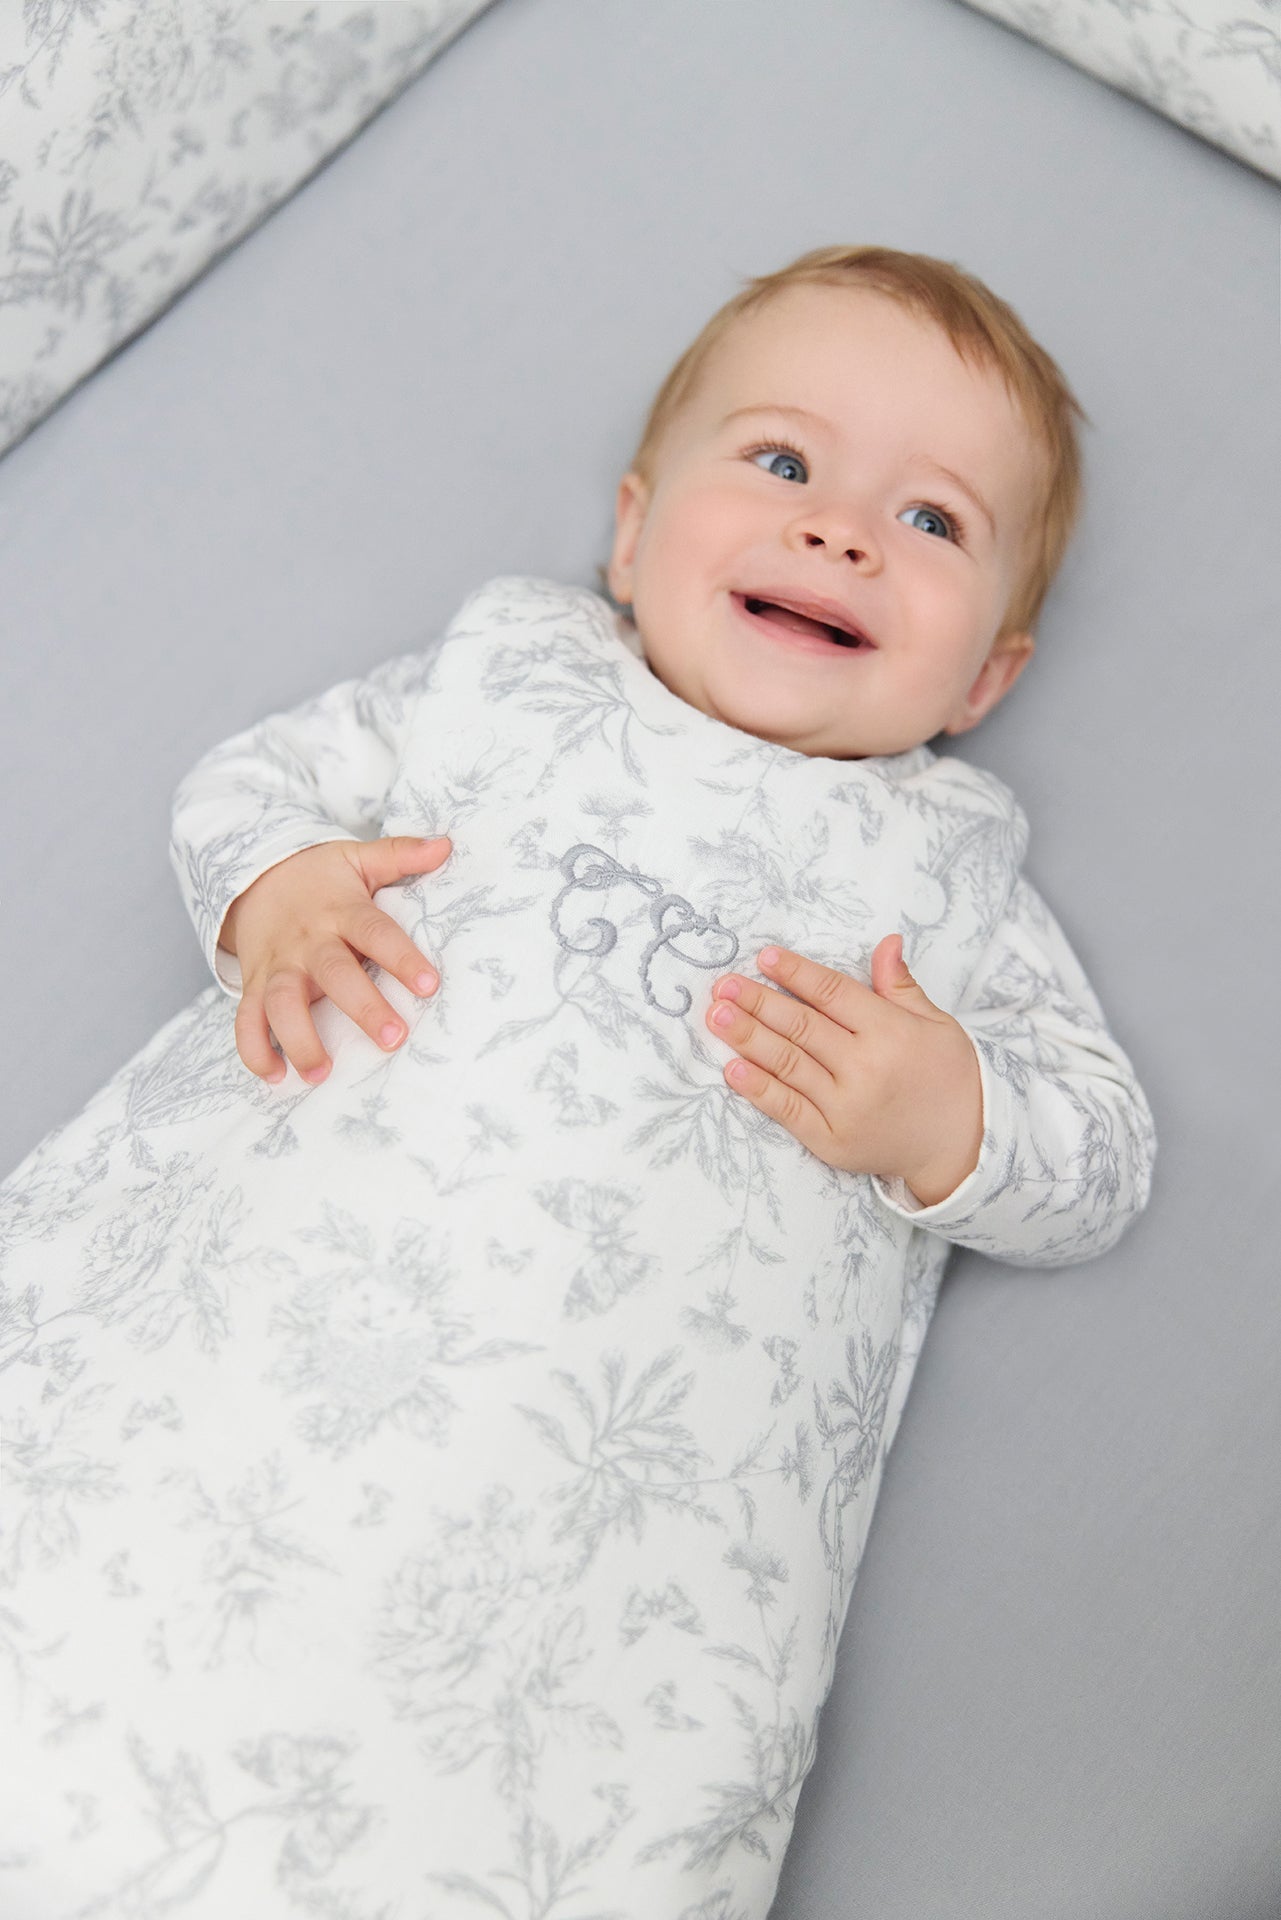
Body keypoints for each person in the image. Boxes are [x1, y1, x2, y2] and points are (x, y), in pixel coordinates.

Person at [0, 245, 1155, 1918]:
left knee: (539, 1777)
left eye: (931, 519)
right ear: (630, 533)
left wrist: (946, 1113)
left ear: (985, 677)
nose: (841, 532)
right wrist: (280, 891)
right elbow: (258, 781)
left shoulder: (951, 875)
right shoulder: (512, 675)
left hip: (599, 1500)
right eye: (782, 461)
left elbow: (1099, 1151)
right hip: (273, 1310)